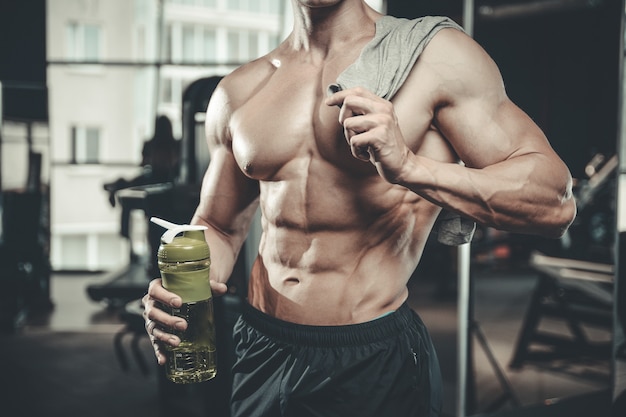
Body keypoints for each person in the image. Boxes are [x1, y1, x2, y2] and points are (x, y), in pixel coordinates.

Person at [142, 1, 576, 416]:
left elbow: (553, 202)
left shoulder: (435, 58)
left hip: (369, 357)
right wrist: (179, 293)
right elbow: (217, 227)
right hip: (259, 346)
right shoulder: (240, 91)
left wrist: (409, 166)